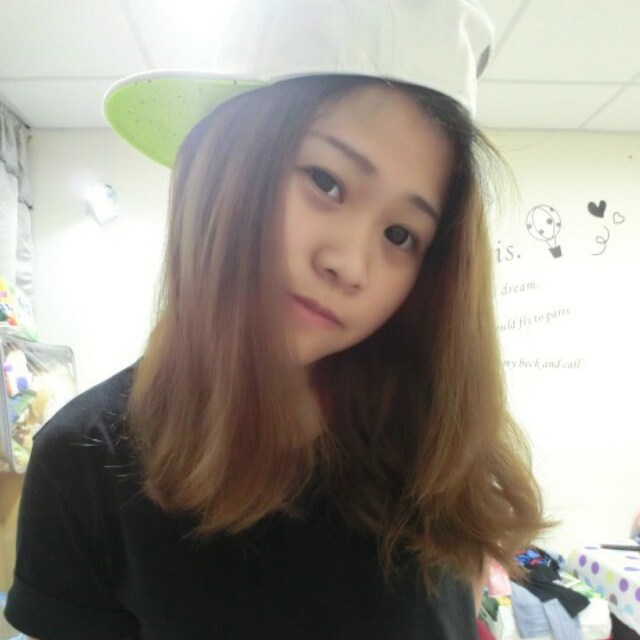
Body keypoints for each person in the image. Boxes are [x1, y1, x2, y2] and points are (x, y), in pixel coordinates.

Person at [6, 1, 549, 638]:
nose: (350, 265)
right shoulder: (84, 463)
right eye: (326, 181)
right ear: (226, 164)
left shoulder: (431, 443)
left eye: (401, 234)